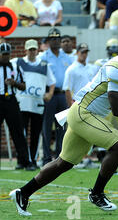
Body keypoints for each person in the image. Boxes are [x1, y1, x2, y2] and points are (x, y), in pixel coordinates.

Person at [9, 38, 118, 216]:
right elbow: (117, 109)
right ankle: (97, 193)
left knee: (63, 163)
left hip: (87, 114)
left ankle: (23, 193)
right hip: (84, 114)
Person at [13, 39, 56, 169]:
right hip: (22, 103)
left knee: (36, 134)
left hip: (38, 104)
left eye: (34, 49)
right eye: (30, 49)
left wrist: (49, 94)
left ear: (37, 50)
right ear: (25, 50)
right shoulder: (17, 62)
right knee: (22, 134)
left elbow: (52, 82)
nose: (32, 52)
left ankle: (32, 160)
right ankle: (22, 160)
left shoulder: (44, 65)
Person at [38, 28, 74, 166]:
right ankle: (46, 157)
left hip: (63, 95)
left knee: (62, 127)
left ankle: (61, 155)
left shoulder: (67, 57)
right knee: (47, 126)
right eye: (52, 39)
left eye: (57, 39)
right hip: (50, 94)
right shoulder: (43, 56)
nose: (56, 41)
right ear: (48, 41)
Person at [0, 42, 34, 171]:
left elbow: (24, 86)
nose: (5, 57)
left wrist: (14, 83)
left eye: (7, 54)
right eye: (3, 54)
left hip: (11, 100)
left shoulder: (15, 66)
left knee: (18, 132)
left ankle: (25, 161)